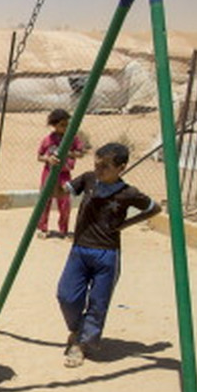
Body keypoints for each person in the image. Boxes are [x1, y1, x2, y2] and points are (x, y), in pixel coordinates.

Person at [57, 142, 161, 368]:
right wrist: (56, 172)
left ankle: (81, 345)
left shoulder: (127, 193)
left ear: (120, 168)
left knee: (98, 303)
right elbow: (59, 193)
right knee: (66, 296)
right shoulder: (88, 180)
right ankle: (77, 329)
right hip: (80, 250)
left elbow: (154, 208)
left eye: (105, 166)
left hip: (107, 254)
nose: (99, 170)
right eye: (96, 164)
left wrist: (125, 224)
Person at [36, 108, 88, 239]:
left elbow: (81, 153)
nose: (65, 127)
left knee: (64, 202)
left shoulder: (73, 138)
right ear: (54, 125)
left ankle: (63, 229)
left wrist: (68, 153)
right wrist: (48, 159)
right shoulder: (48, 140)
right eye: (62, 125)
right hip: (49, 173)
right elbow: (39, 156)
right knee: (45, 201)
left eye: (67, 124)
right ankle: (42, 228)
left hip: (64, 175)